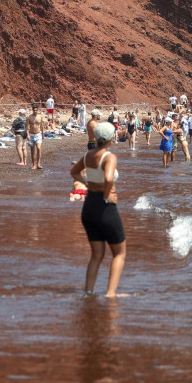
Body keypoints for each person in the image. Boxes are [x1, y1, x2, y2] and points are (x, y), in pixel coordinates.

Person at [69, 122, 125, 296]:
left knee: (96, 255)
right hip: (104, 206)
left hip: (89, 205)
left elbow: (74, 172)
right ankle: (111, 293)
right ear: (111, 138)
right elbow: (109, 178)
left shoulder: (88, 155)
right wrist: (107, 195)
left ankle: (89, 292)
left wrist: (88, 184)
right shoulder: (109, 157)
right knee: (119, 253)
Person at [26, 102, 44, 169]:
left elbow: (41, 126)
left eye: (36, 110)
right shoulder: (29, 117)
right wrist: (27, 135)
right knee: (32, 150)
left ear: (38, 110)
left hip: (38, 134)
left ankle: (39, 163)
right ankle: (34, 164)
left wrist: (43, 134)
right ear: (32, 110)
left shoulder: (40, 117)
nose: (35, 111)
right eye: (34, 110)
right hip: (31, 134)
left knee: (39, 148)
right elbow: (27, 127)